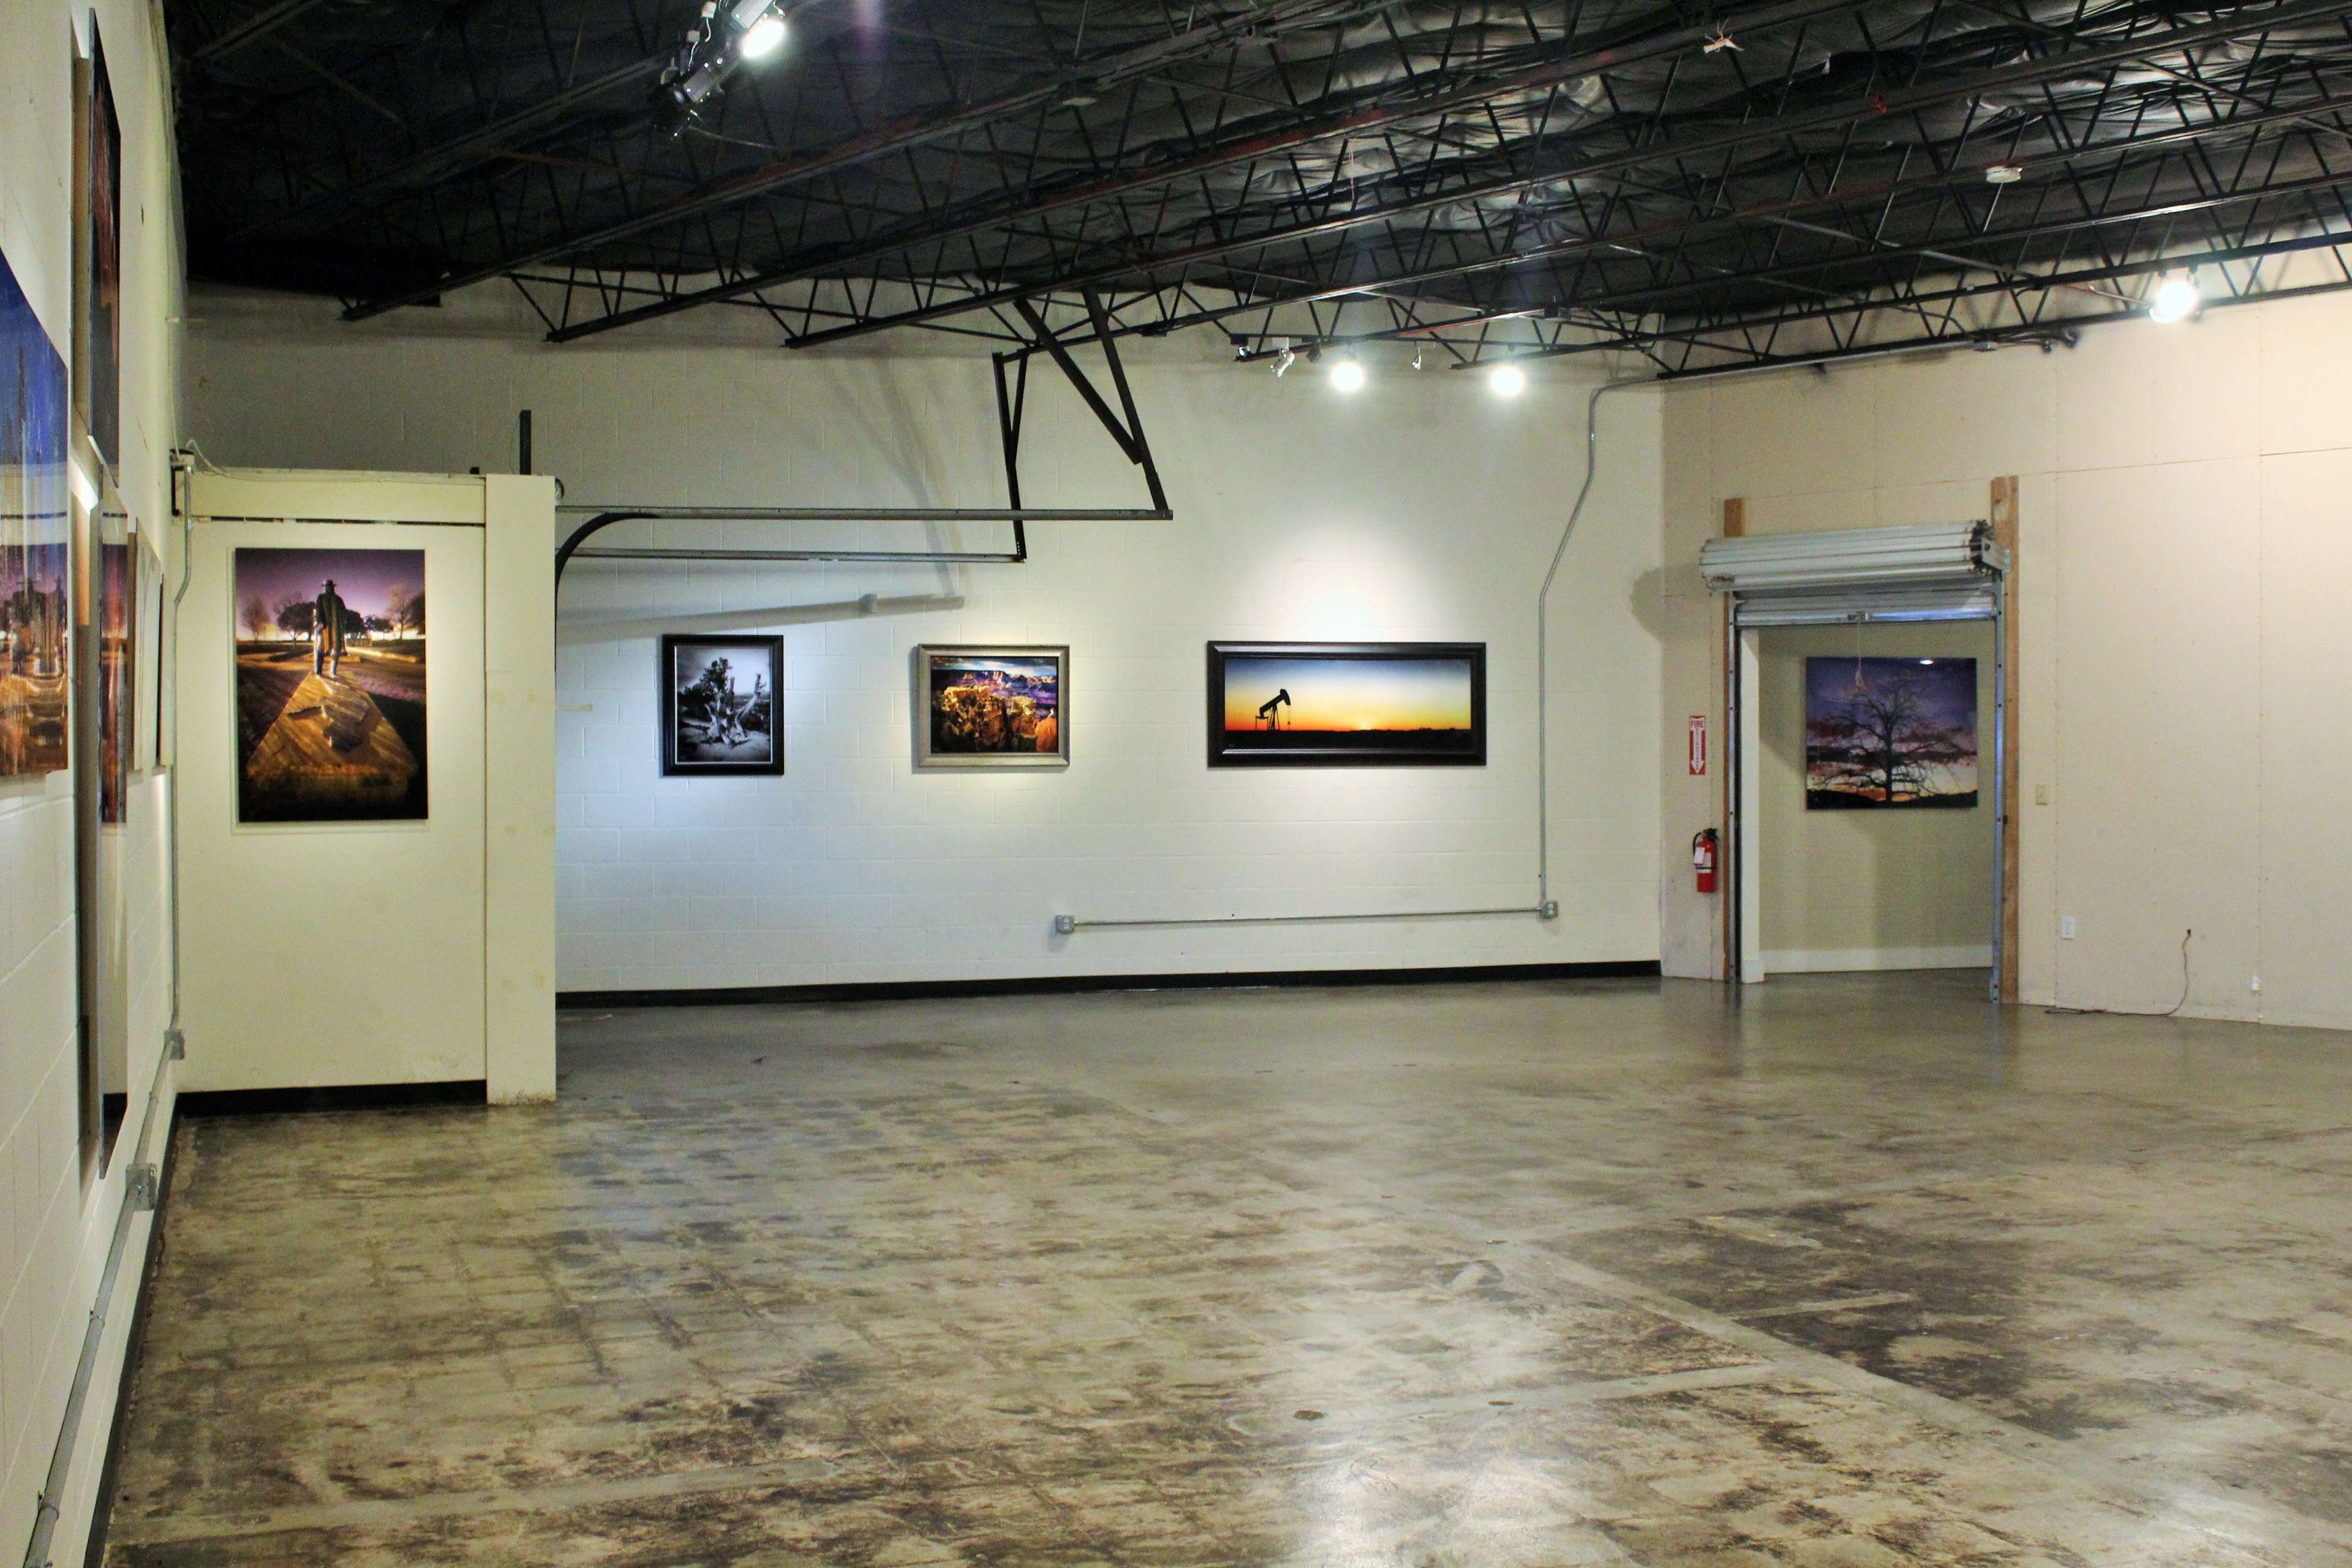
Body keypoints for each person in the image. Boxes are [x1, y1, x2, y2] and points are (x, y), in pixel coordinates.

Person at [313, 578, 349, 679]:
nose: (327, 588)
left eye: (329, 587)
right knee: (321, 648)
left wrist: (343, 624)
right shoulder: (321, 597)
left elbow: (343, 613)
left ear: (332, 588)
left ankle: (333, 671)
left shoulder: (338, 599)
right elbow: (318, 611)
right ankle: (319, 671)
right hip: (325, 627)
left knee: (336, 649)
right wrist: (320, 622)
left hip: (336, 628)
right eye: (326, 587)